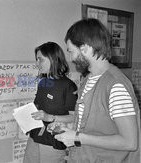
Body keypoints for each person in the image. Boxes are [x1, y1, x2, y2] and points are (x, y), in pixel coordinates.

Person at [53, 18, 140, 163]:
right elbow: (95, 126)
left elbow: (129, 142)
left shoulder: (115, 85)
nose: (70, 58)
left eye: (71, 51)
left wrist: (77, 137)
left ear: (85, 48)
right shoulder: (88, 79)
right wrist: (69, 128)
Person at [23, 42, 78, 163]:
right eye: (36, 59)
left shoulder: (68, 86)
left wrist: (50, 117)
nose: (37, 64)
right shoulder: (43, 82)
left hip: (53, 141)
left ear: (53, 59)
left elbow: (75, 117)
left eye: (40, 60)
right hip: (35, 136)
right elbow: (38, 108)